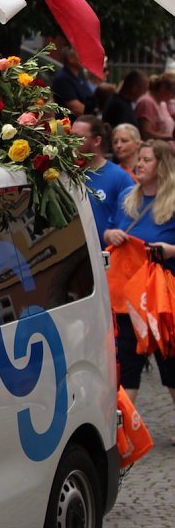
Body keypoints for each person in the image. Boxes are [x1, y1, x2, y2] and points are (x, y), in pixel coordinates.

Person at [103, 140, 175, 427]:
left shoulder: (171, 202)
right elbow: (108, 230)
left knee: (169, 363)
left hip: (160, 297)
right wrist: (111, 236)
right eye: (140, 159)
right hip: (127, 295)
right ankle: (123, 430)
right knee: (129, 361)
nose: (140, 164)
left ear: (163, 165)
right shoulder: (127, 198)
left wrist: (169, 250)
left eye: (147, 160)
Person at [72, 115, 135, 246]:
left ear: (96, 141)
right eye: (70, 136)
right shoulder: (69, 174)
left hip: (108, 258)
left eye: (77, 138)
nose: (71, 142)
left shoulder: (119, 177)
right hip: (75, 259)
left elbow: (131, 222)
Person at [51, 46, 94, 118]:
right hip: (71, 125)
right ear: (70, 59)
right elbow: (77, 109)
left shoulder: (80, 77)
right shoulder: (63, 79)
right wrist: (94, 113)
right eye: (81, 55)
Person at [135, 73, 175, 141]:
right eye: (173, 92)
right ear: (163, 87)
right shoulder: (146, 102)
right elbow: (145, 133)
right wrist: (170, 138)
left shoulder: (162, 104)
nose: (173, 97)